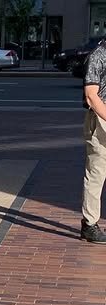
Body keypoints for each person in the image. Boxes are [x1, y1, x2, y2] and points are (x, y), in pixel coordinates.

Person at [81, 38, 106, 243]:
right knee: (97, 173)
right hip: (100, 119)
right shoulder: (98, 55)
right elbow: (91, 95)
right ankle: (89, 224)